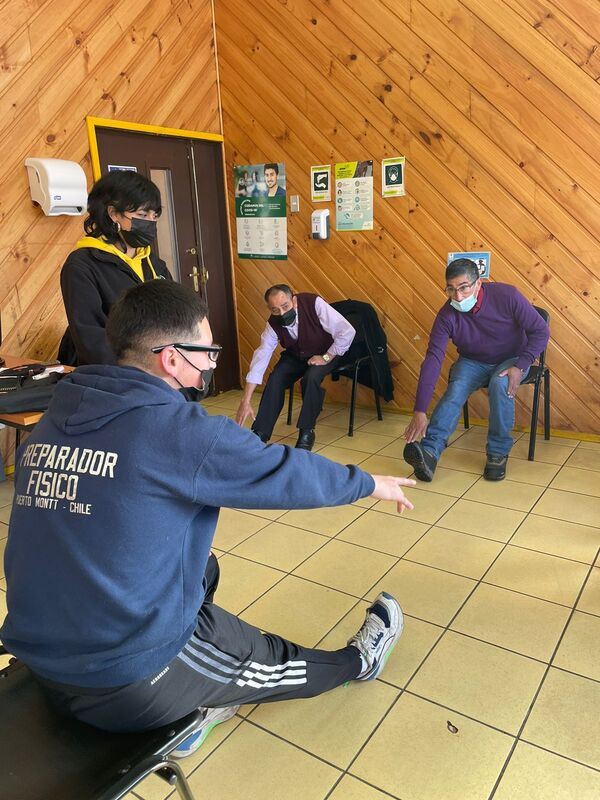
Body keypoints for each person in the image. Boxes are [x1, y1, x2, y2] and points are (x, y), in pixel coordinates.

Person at [0, 280, 415, 758]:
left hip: (39, 649)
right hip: (122, 679)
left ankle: (189, 691)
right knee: (272, 665)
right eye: (208, 351)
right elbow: (282, 472)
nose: (213, 363)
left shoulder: (57, 414)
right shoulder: (177, 431)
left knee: (204, 565)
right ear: (172, 358)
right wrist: (369, 484)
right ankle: (356, 662)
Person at [403, 258, 549, 482]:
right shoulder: (446, 315)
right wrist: (420, 410)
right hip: (473, 360)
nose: (458, 296)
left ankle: (498, 453)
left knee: (500, 384)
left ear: (478, 284)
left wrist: (521, 365)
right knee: (456, 389)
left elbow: (540, 331)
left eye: (463, 288)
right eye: (451, 289)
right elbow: (433, 359)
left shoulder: (507, 296)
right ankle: (430, 452)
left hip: (512, 357)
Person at [57, 170, 171, 367]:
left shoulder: (152, 262)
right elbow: (90, 336)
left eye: (154, 215)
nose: (150, 222)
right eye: (142, 215)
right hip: (115, 376)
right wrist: (139, 370)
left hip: (158, 370)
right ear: (113, 214)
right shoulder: (82, 265)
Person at [235, 285, 356, 450]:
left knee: (311, 378)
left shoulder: (313, 303)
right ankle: (260, 432)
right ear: (269, 309)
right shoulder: (272, 324)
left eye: (285, 306)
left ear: (294, 300)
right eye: (276, 310)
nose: (282, 313)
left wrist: (326, 357)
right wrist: (246, 400)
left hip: (327, 353)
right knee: (276, 378)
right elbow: (261, 358)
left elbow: (347, 331)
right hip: (296, 355)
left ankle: (307, 431)